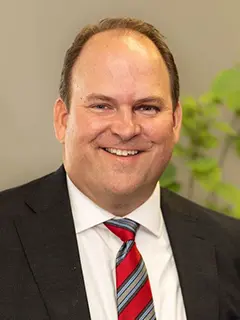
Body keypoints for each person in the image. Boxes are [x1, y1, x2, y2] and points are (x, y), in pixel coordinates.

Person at [0, 17, 239, 320]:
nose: (126, 129)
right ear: (63, 120)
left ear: (175, 122)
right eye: (102, 105)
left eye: (147, 107)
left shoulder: (230, 249)